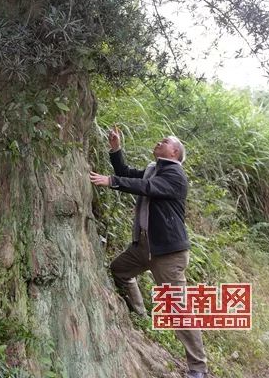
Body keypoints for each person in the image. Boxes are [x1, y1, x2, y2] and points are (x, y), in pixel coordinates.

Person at [89, 127, 208, 378]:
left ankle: (198, 368)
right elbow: (127, 173)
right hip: (145, 247)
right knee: (120, 270)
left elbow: (146, 187)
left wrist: (111, 182)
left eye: (164, 141)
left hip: (168, 253)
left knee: (179, 308)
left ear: (175, 152)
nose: (158, 141)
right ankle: (140, 313)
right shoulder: (156, 168)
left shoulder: (175, 175)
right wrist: (115, 149)